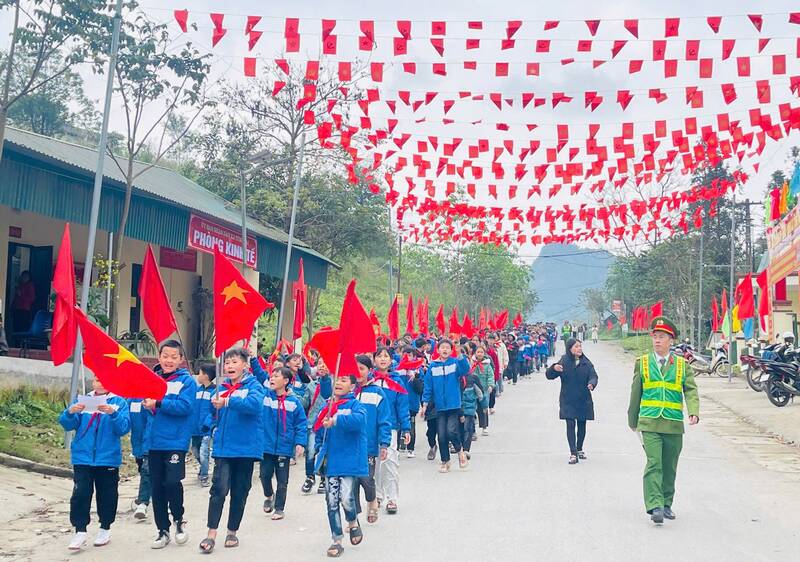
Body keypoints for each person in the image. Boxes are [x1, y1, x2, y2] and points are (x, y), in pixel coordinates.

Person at [627, 316, 700, 525]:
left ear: (671, 340)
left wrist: (693, 411)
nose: (657, 340)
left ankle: (666, 503)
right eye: (655, 337)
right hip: (649, 422)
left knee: (669, 466)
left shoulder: (682, 365)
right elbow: (635, 393)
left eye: (662, 337)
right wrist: (633, 420)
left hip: (673, 423)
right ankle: (655, 505)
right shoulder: (642, 363)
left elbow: (691, 390)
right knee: (654, 463)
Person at [200, 348, 265, 553]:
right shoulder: (221, 387)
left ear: (245, 365)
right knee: (218, 489)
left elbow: (254, 405)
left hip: (246, 449)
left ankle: (232, 532)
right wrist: (210, 424)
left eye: (234, 362)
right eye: (227, 363)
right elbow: (212, 411)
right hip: (223, 448)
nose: (229, 366)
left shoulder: (254, 385)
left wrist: (228, 401)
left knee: (240, 491)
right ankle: (211, 533)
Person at [59, 377, 130, 550]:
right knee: (80, 493)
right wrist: (70, 412)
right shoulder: (83, 400)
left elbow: (123, 428)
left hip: (107, 458)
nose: (101, 382)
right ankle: (80, 530)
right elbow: (68, 425)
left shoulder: (119, 401)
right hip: (83, 457)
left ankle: (105, 527)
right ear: (93, 382)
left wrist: (112, 414)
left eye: (104, 379)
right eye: (98, 379)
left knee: (107, 494)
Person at [142, 340, 196, 549]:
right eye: (166, 356)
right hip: (154, 442)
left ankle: (179, 521)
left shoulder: (187, 382)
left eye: (174, 357)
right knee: (157, 487)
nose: (169, 360)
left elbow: (185, 406)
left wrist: (158, 403)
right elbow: (142, 407)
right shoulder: (151, 379)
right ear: (159, 357)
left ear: (181, 360)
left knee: (172, 483)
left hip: (175, 441)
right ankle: (162, 530)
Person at [314, 374, 368, 558]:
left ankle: (352, 521)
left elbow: (359, 422)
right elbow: (319, 429)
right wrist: (318, 448)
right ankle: (336, 539)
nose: (338, 383)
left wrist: (336, 420)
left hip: (350, 460)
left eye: (344, 380)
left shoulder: (355, 405)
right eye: (336, 379)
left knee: (346, 497)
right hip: (331, 460)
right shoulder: (326, 407)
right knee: (331, 502)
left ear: (352, 386)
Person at [261, 367, 307, 521]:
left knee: (282, 480)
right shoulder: (266, 397)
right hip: (266, 446)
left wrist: (300, 443)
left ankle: (279, 508)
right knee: (264, 475)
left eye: (276, 376)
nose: (272, 378)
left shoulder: (294, 403)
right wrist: (253, 360)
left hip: (284, 448)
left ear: (286, 381)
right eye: (271, 376)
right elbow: (260, 376)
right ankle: (269, 495)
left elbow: (301, 424)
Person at [420, 339, 470, 472]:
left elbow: (466, 370)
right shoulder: (433, 366)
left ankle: (460, 452)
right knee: (441, 434)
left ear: (451, 349)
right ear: (437, 350)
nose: (445, 350)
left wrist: (460, 355)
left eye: (448, 347)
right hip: (439, 406)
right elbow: (428, 386)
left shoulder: (455, 363)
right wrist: (424, 404)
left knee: (451, 431)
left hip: (454, 405)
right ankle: (445, 461)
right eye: (442, 347)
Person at [371, 347, 411, 514]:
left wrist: (406, 428)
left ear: (390, 360)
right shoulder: (368, 381)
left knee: (390, 461)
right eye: (379, 356)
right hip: (371, 429)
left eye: (385, 356)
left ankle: (392, 498)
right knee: (376, 464)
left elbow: (402, 406)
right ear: (374, 360)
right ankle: (378, 495)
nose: (382, 359)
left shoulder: (396, 381)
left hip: (391, 427)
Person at [546, 338, 598, 464]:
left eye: (580, 346)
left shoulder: (586, 362)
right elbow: (549, 375)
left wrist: (591, 384)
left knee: (582, 425)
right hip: (567, 399)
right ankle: (573, 453)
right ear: (570, 349)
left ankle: (579, 448)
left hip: (583, 399)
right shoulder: (564, 361)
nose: (579, 348)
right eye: (576, 346)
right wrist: (554, 368)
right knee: (570, 424)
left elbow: (593, 376)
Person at [354, 355, 391, 525]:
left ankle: (372, 501)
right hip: (348, 446)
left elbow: (384, 421)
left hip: (368, 445)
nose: (358, 372)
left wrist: (384, 444)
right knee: (350, 482)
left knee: (366, 479)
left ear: (370, 371)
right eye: (355, 368)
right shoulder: (346, 392)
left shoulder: (377, 392)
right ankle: (352, 517)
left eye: (361, 368)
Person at [301, 359, 332, 495]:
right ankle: (310, 476)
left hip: (327, 423)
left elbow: (328, 393)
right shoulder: (311, 385)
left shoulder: (336, 382)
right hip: (313, 423)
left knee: (324, 452)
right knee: (311, 452)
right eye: (320, 363)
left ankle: (323, 478)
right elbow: (305, 403)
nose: (322, 365)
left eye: (325, 362)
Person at [190, 363, 216, 487]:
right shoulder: (196, 390)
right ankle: (203, 467)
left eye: (199, 373)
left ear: (206, 375)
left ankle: (204, 475)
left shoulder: (214, 392)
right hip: (195, 429)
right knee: (195, 450)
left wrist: (208, 424)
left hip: (206, 428)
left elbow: (214, 411)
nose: (198, 376)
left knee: (203, 452)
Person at [128, 395, 152, 520]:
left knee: (146, 470)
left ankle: (143, 503)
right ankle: (150, 493)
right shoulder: (131, 399)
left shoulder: (153, 397)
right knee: (142, 469)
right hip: (137, 441)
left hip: (151, 441)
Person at [460, 369, 483, 457]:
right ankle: (459, 446)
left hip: (470, 409)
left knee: (467, 428)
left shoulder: (473, 378)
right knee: (459, 428)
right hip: (458, 408)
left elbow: (480, 393)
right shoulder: (455, 378)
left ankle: (466, 449)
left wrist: (484, 405)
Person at [471, 345, 493, 435]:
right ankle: (472, 430)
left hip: (483, 390)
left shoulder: (487, 365)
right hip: (472, 390)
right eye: (478, 352)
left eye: (481, 352)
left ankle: (484, 427)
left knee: (483, 408)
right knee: (471, 409)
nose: (479, 354)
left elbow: (490, 376)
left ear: (484, 354)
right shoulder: (471, 363)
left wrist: (490, 385)